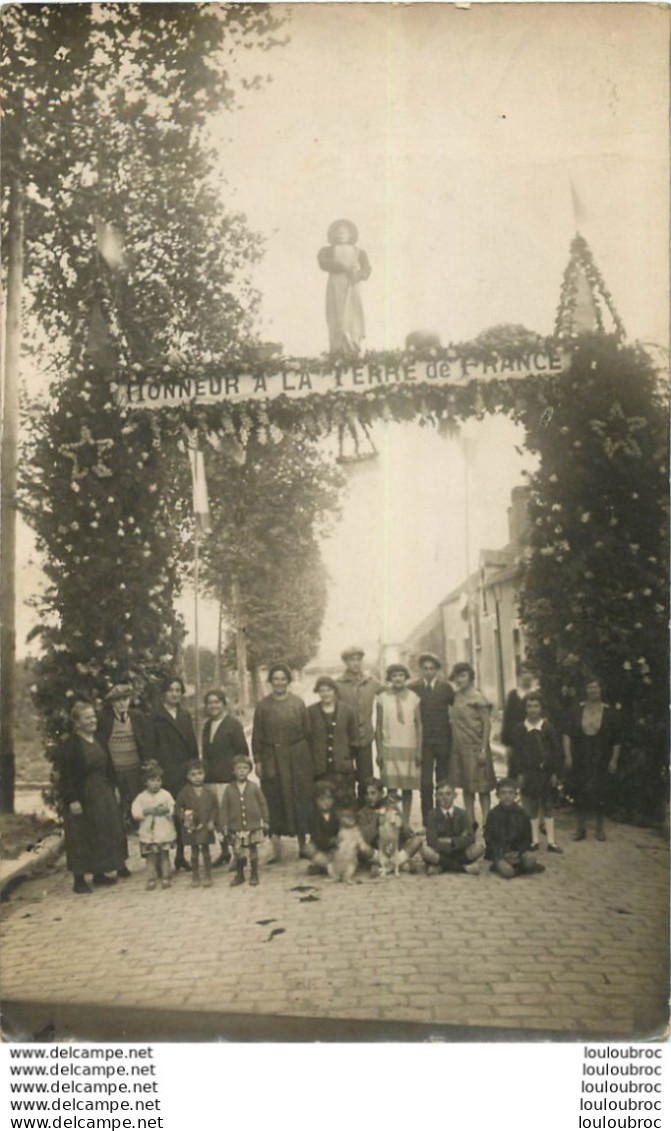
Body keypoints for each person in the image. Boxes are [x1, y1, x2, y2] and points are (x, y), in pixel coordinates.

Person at [58, 700, 129, 895]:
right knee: (81, 835)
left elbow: (108, 765)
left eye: (93, 716)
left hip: (102, 791)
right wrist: (72, 799)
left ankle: (99, 873)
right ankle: (79, 879)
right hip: (83, 794)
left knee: (102, 831)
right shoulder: (70, 745)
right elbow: (67, 776)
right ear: (77, 722)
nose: (92, 721)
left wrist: (114, 787)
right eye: (87, 718)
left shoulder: (98, 738)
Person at [251, 663, 313, 864]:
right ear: (270, 682)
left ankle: (303, 845)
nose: (279, 683)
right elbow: (257, 736)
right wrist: (258, 761)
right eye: (275, 679)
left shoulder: (298, 703)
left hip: (296, 757)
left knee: (299, 798)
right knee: (273, 799)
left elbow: (307, 732)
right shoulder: (263, 706)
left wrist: (305, 759)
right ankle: (275, 848)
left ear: (288, 681)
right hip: (272, 757)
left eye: (283, 679)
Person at [146, 676, 198, 871]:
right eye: (171, 690)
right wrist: (154, 772)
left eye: (178, 690)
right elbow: (149, 747)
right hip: (165, 773)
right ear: (163, 693)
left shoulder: (185, 715)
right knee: (166, 814)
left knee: (187, 812)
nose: (175, 694)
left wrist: (194, 768)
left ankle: (184, 854)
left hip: (184, 771)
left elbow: (192, 743)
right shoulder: (155, 717)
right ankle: (163, 858)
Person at [562, 675, 622, 842]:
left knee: (600, 792)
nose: (592, 690)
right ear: (585, 690)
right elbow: (567, 734)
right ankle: (580, 829)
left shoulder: (609, 712)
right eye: (589, 687)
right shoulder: (577, 710)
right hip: (581, 756)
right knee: (579, 791)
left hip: (601, 757)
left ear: (601, 690)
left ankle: (599, 829)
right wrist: (568, 756)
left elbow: (617, 740)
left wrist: (613, 760)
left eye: (595, 687)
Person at [508, 691, 564, 853]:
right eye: (529, 706)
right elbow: (516, 754)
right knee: (531, 806)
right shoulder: (520, 729)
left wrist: (555, 773)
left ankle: (552, 842)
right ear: (525, 709)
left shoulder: (548, 728)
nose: (532, 710)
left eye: (536, 706)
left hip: (545, 773)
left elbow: (556, 752)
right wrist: (518, 774)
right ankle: (534, 840)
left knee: (548, 805)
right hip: (528, 773)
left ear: (541, 708)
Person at [201, 688, 249, 866]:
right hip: (211, 778)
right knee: (217, 818)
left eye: (216, 702)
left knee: (230, 818)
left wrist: (238, 774)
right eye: (210, 703)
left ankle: (239, 854)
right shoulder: (207, 725)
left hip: (227, 778)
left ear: (223, 703)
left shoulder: (233, 724)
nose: (213, 706)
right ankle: (224, 852)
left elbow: (242, 751)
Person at [449, 662, 496, 830]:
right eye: (457, 676)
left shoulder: (478, 697)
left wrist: (483, 748)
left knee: (483, 787)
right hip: (460, 748)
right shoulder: (455, 696)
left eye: (463, 676)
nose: (460, 679)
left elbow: (487, 724)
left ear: (470, 677)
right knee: (467, 786)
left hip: (477, 747)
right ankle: (470, 820)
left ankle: (487, 820)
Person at [408, 652, 454, 826]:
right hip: (424, 743)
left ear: (437, 670)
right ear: (421, 669)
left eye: (432, 668)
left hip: (443, 741)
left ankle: (443, 817)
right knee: (425, 783)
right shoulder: (414, 688)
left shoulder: (446, 688)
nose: (428, 672)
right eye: (425, 668)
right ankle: (428, 820)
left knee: (442, 782)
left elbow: (457, 709)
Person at [96, 681, 148, 829]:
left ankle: (138, 831)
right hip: (115, 769)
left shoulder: (137, 717)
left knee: (136, 803)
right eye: (117, 700)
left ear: (129, 700)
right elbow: (101, 744)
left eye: (125, 699)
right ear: (112, 703)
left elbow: (144, 740)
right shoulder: (104, 719)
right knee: (116, 805)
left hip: (134, 768)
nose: (122, 704)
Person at [376, 664, 422, 827]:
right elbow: (379, 725)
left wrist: (419, 750)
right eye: (394, 675)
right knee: (392, 788)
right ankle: (392, 820)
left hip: (409, 746)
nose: (398, 679)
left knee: (407, 788)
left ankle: (406, 822)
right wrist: (380, 751)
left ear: (405, 677)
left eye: (401, 675)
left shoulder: (414, 697)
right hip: (390, 746)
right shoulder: (382, 698)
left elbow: (418, 725)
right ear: (390, 678)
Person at [317, 218, 372, 356]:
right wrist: (344, 268)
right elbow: (323, 262)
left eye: (345, 232)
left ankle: (354, 346)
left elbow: (367, 268)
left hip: (352, 286)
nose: (342, 234)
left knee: (353, 316)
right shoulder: (327, 250)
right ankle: (337, 349)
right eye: (339, 232)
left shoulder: (359, 252)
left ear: (351, 235)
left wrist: (358, 275)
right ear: (333, 235)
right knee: (336, 315)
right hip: (335, 286)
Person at [335, 646, 382, 802]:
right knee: (347, 780)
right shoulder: (338, 684)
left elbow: (388, 694)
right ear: (345, 662)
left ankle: (365, 815)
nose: (355, 663)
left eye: (358, 659)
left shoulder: (371, 682)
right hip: (346, 739)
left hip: (365, 739)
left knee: (366, 780)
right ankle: (349, 815)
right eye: (351, 660)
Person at [219, 754, 270, 887]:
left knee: (252, 849)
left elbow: (263, 804)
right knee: (238, 852)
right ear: (233, 771)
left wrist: (266, 821)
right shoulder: (229, 789)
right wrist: (223, 824)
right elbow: (224, 808)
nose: (242, 771)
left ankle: (254, 873)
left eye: (245, 768)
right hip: (236, 826)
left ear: (249, 770)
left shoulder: (254, 787)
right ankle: (240, 874)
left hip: (252, 825)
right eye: (239, 768)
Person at [307, 675, 357, 806]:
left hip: (342, 767)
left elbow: (353, 736)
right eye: (322, 690)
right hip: (320, 768)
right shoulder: (310, 712)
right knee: (323, 800)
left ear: (335, 691)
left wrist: (346, 756)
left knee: (344, 800)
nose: (325, 694)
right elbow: (307, 738)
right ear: (317, 692)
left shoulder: (347, 710)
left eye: (329, 690)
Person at [484, 778, 545, 878]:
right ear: (497, 795)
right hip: (501, 853)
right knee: (508, 872)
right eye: (503, 793)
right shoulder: (493, 814)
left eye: (510, 793)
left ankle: (520, 866)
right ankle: (508, 868)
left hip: (518, 853)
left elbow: (527, 837)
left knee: (530, 858)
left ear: (515, 795)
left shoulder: (522, 813)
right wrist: (504, 853)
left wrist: (519, 852)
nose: (507, 796)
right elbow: (489, 839)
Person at [421, 781, 484, 876]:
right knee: (424, 850)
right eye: (441, 794)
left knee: (479, 847)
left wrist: (452, 841)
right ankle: (463, 868)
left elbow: (470, 837)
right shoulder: (432, 814)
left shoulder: (463, 813)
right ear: (436, 797)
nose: (444, 797)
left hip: (459, 851)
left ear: (455, 795)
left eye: (448, 794)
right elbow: (432, 840)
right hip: (440, 852)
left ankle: (442, 866)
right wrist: (451, 845)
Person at [131, 761, 176, 890]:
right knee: (151, 858)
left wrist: (167, 811)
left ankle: (166, 877)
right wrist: (145, 812)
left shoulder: (165, 794)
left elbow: (173, 806)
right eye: (152, 780)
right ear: (145, 782)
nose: (156, 784)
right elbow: (135, 811)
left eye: (158, 780)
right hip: (148, 833)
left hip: (163, 831)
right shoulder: (141, 797)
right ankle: (151, 879)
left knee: (164, 856)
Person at [175, 760, 219, 888]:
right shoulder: (184, 792)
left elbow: (215, 807)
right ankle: (195, 875)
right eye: (193, 774)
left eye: (200, 773)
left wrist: (212, 821)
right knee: (194, 852)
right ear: (187, 776)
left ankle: (208, 874)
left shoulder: (209, 791)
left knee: (205, 850)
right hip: (192, 825)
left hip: (206, 825)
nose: (197, 777)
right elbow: (178, 808)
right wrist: (187, 819)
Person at [304, 780, 340, 875]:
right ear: (315, 800)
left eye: (329, 798)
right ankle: (328, 866)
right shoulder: (313, 816)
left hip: (335, 848)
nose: (326, 802)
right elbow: (316, 836)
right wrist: (329, 841)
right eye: (322, 799)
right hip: (321, 846)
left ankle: (325, 868)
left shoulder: (337, 815)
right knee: (308, 848)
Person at [500, 662, 539, 751]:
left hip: (535, 738)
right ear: (519, 675)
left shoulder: (538, 694)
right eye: (523, 672)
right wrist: (508, 744)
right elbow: (507, 720)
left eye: (529, 673)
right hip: (517, 741)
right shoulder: (513, 695)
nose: (526, 676)